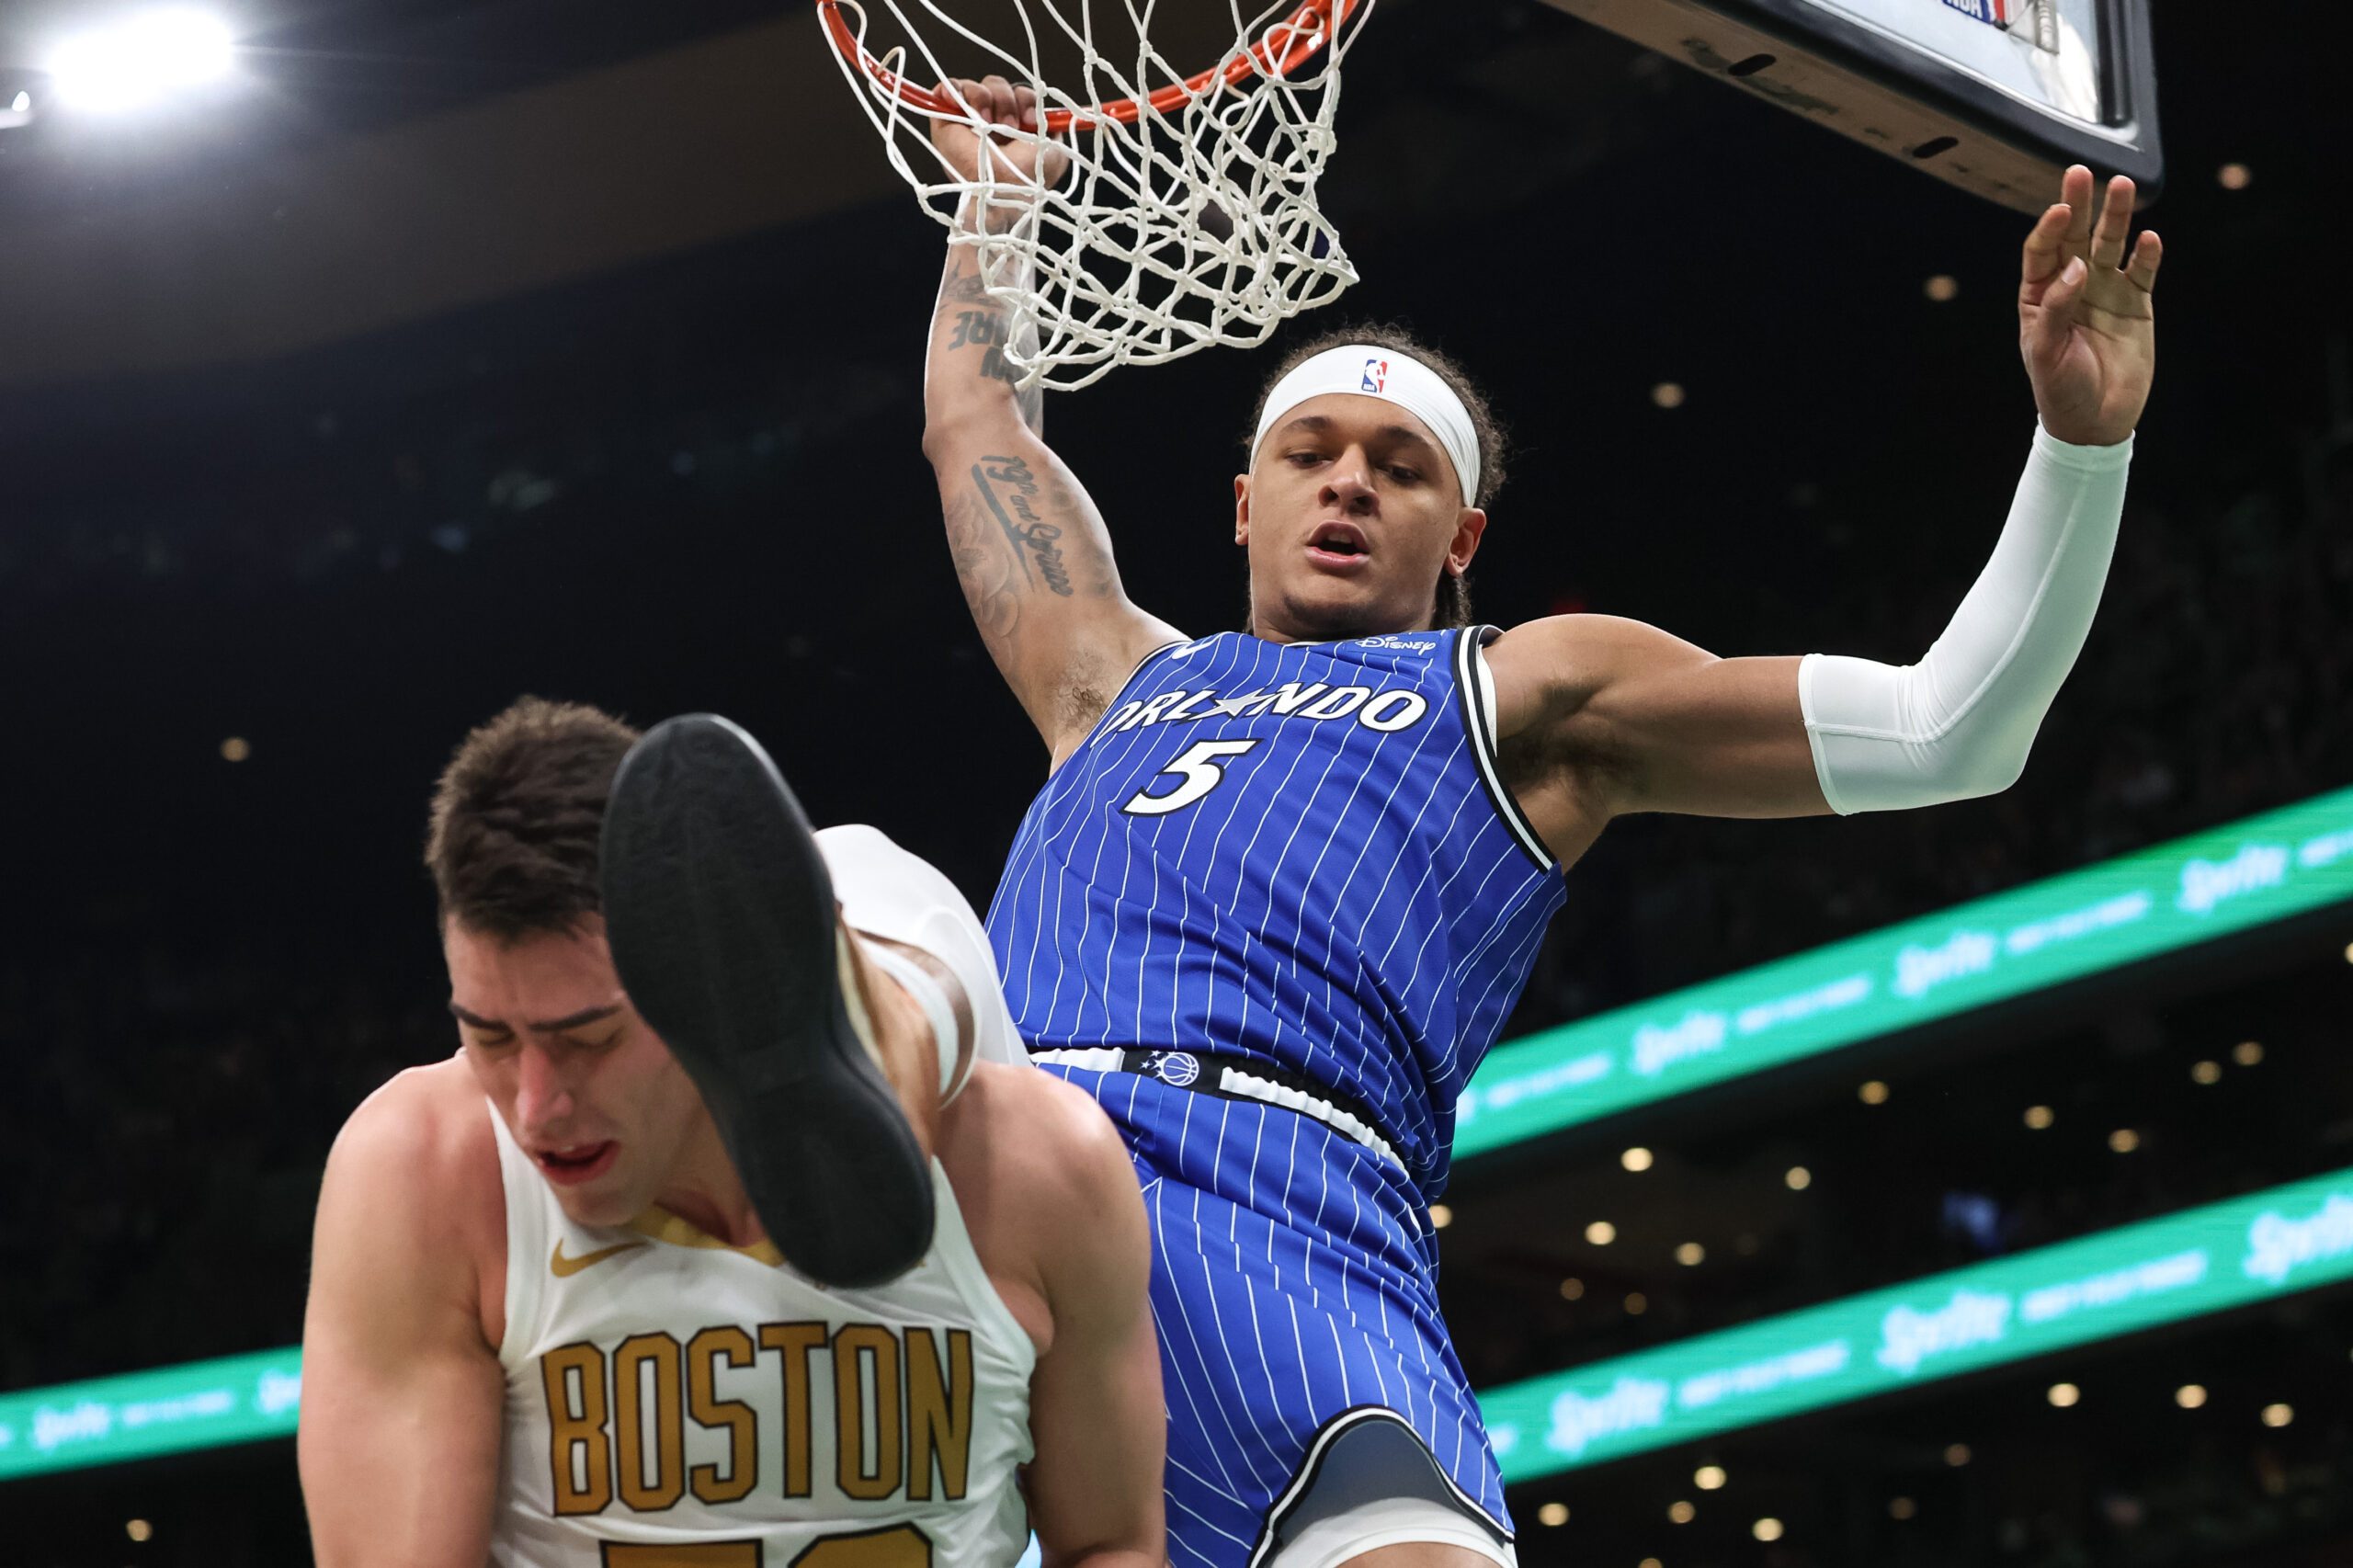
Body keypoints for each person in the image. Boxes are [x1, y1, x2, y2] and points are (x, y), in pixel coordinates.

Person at [915, 75, 2163, 1568]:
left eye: (1401, 468)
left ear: (1466, 537)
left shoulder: (1527, 692)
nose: (1350, 485)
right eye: (1312, 453)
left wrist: (2081, 450)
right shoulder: (1105, 673)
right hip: (1013, 1198)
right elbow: (973, 423)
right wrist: (994, 210)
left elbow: (1954, 728)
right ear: (1245, 503)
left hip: (1302, 1231)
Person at [297, 698, 1166, 1568]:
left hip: (884, 1089)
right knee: (870, 889)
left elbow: (1112, 1543)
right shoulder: (426, 1170)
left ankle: (885, 1011)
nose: (535, 1107)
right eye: (488, 1038)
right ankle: (890, 1014)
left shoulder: (1037, 1164)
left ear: (696, 993)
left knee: (868, 877)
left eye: (590, 1040)